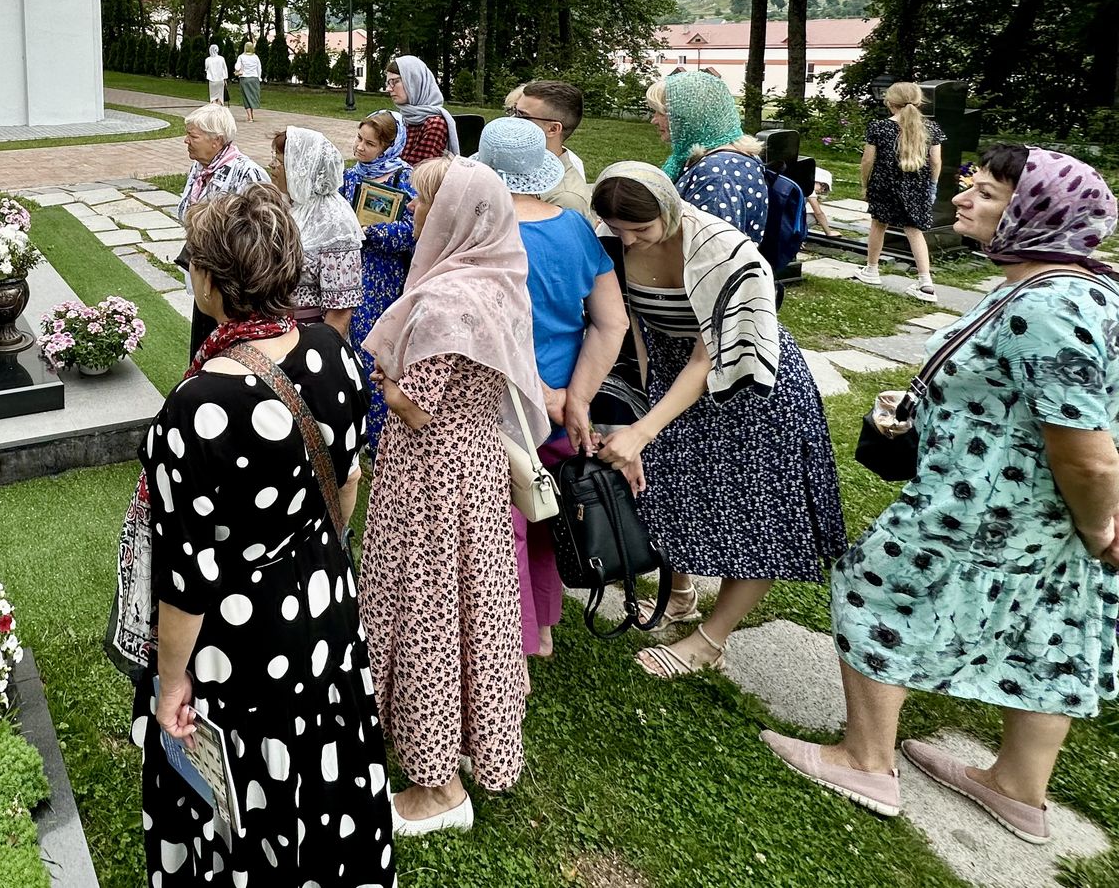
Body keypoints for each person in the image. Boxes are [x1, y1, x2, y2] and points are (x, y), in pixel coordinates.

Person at [761, 144, 1119, 840]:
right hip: (1037, 511)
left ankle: (865, 761)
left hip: (986, 506)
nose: (961, 198)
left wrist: (1101, 525)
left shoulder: (1048, 306)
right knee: (1045, 628)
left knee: (872, 587)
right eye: (970, 186)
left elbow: (1086, 452)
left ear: (1037, 213)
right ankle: (1017, 789)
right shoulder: (1082, 287)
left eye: (985, 194)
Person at [138, 186, 394, 886]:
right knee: (322, 753)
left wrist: (171, 681)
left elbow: (186, 576)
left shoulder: (198, 405)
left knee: (236, 774)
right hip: (322, 598)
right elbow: (348, 479)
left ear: (211, 281)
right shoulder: (333, 353)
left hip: (239, 633)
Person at [581, 163, 846, 673]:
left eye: (640, 228)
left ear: (669, 209)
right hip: (670, 373)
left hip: (748, 384)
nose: (627, 240)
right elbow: (626, 324)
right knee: (667, 487)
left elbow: (709, 360)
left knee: (758, 515)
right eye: (617, 228)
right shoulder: (609, 238)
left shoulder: (724, 252)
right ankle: (681, 595)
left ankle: (710, 639)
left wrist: (644, 429)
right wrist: (632, 406)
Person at [361, 156, 540, 834]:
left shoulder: (444, 301)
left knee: (426, 612)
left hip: (430, 475)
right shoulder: (498, 277)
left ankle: (437, 788)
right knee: (474, 606)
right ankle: (471, 740)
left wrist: (384, 379)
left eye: (423, 203)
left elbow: (414, 405)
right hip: (478, 466)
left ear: (453, 216)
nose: (411, 212)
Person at [475, 117, 627, 658]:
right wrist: (574, 397)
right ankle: (541, 628)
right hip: (565, 400)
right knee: (545, 511)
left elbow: (486, 328)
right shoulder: (576, 229)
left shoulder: (483, 233)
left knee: (503, 521)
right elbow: (612, 322)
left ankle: (511, 646)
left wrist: (536, 388)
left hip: (501, 398)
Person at [340, 111, 418, 451]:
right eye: (359, 139)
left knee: (376, 354)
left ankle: (378, 437)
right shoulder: (350, 176)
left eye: (370, 143)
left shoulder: (405, 178)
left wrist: (373, 232)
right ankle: (350, 427)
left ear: (389, 146)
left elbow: (414, 231)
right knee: (346, 349)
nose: (360, 147)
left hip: (383, 278)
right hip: (349, 270)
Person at [176, 103, 271, 360]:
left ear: (216, 141)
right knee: (203, 347)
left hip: (232, 291)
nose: (186, 141)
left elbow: (261, 235)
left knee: (227, 353)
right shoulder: (201, 167)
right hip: (206, 280)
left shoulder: (248, 173)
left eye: (193, 136)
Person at [270, 126, 364, 337]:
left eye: (280, 161)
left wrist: (324, 350)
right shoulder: (290, 204)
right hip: (273, 329)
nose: (272, 165)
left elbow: (340, 310)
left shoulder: (335, 222)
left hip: (308, 336)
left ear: (302, 167)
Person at [656, 71, 769, 246]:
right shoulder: (729, 156)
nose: (654, 120)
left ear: (689, 116)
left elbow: (711, 248)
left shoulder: (717, 174)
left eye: (661, 113)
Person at [858, 80, 944, 301]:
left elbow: (867, 160)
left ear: (890, 102)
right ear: (918, 101)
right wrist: (932, 186)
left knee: (878, 224)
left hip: (884, 184)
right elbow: (936, 161)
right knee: (914, 230)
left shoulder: (879, 127)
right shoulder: (931, 128)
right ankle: (926, 282)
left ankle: (871, 269)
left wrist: (865, 184)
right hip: (917, 186)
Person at [505, 79, 594, 216]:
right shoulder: (515, 162)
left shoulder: (566, 199)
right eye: (513, 111)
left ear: (553, 129)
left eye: (522, 116)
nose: (511, 120)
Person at [384, 53, 460, 161]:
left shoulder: (435, 124)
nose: (388, 89)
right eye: (388, 83)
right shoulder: (401, 120)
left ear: (414, 81)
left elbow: (417, 169)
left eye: (395, 81)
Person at [234, 40, 264, 121]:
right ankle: (251, 115)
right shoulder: (256, 57)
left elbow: (237, 67)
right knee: (252, 96)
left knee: (246, 97)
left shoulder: (241, 57)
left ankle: (250, 117)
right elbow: (259, 68)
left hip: (245, 78)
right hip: (254, 78)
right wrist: (259, 77)